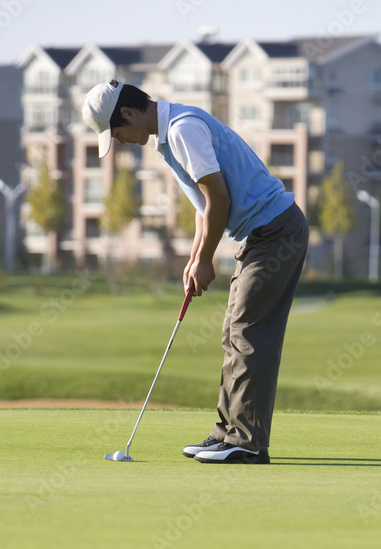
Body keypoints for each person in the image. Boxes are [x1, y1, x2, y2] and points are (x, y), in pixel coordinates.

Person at [82, 80, 308, 464]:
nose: (119, 142)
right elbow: (205, 206)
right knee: (235, 331)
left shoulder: (182, 129)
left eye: (117, 134)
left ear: (128, 114)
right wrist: (195, 257)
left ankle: (247, 442)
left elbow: (220, 198)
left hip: (276, 233)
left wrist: (206, 260)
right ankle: (229, 433)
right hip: (264, 234)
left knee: (248, 333)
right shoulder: (168, 136)